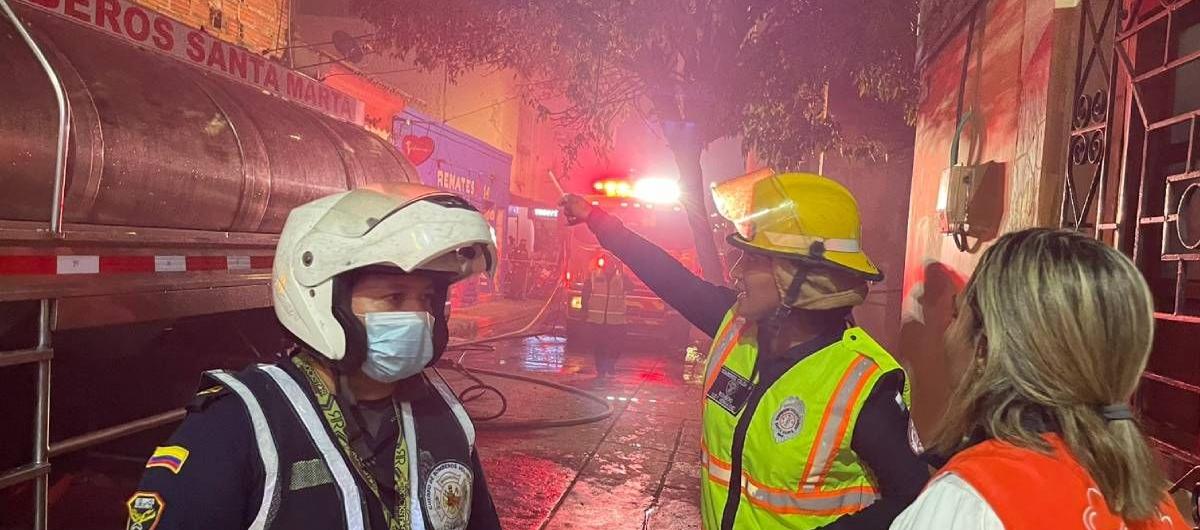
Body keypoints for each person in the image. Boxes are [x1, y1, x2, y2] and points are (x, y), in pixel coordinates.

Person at [560, 170, 928, 529]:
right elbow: (670, 278)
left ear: (798, 275)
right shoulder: (735, 325)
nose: (737, 271)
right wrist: (597, 219)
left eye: (753, 259)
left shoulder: (865, 385)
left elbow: (913, 501)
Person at [126, 184, 503, 530]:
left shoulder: (444, 416)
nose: (419, 316)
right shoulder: (239, 426)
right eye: (394, 297)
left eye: (427, 299)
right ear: (323, 298)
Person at [890, 229, 1188, 530]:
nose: (947, 334)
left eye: (956, 315)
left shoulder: (973, 501)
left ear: (986, 348)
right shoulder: (1156, 504)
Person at [581, 252, 630, 378]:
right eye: (606, 261)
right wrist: (584, 311)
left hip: (616, 320)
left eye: (610, 262)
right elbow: (585, 294)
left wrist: (623, 274)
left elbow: (631, 287)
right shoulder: (593, 276)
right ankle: (601, 370)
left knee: (617, 346)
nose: (608, 265)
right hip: (597, 320)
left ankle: (610, 364)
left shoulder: (621, 278)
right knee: (599, 346)